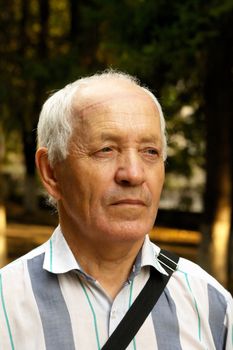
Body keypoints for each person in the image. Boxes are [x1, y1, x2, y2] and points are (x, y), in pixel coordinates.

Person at [0, 71, 232, 350]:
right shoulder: (6, 305)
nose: (133, 174)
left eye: (150, 151)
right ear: (51, 172)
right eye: (106, 149)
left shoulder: (212, 306)